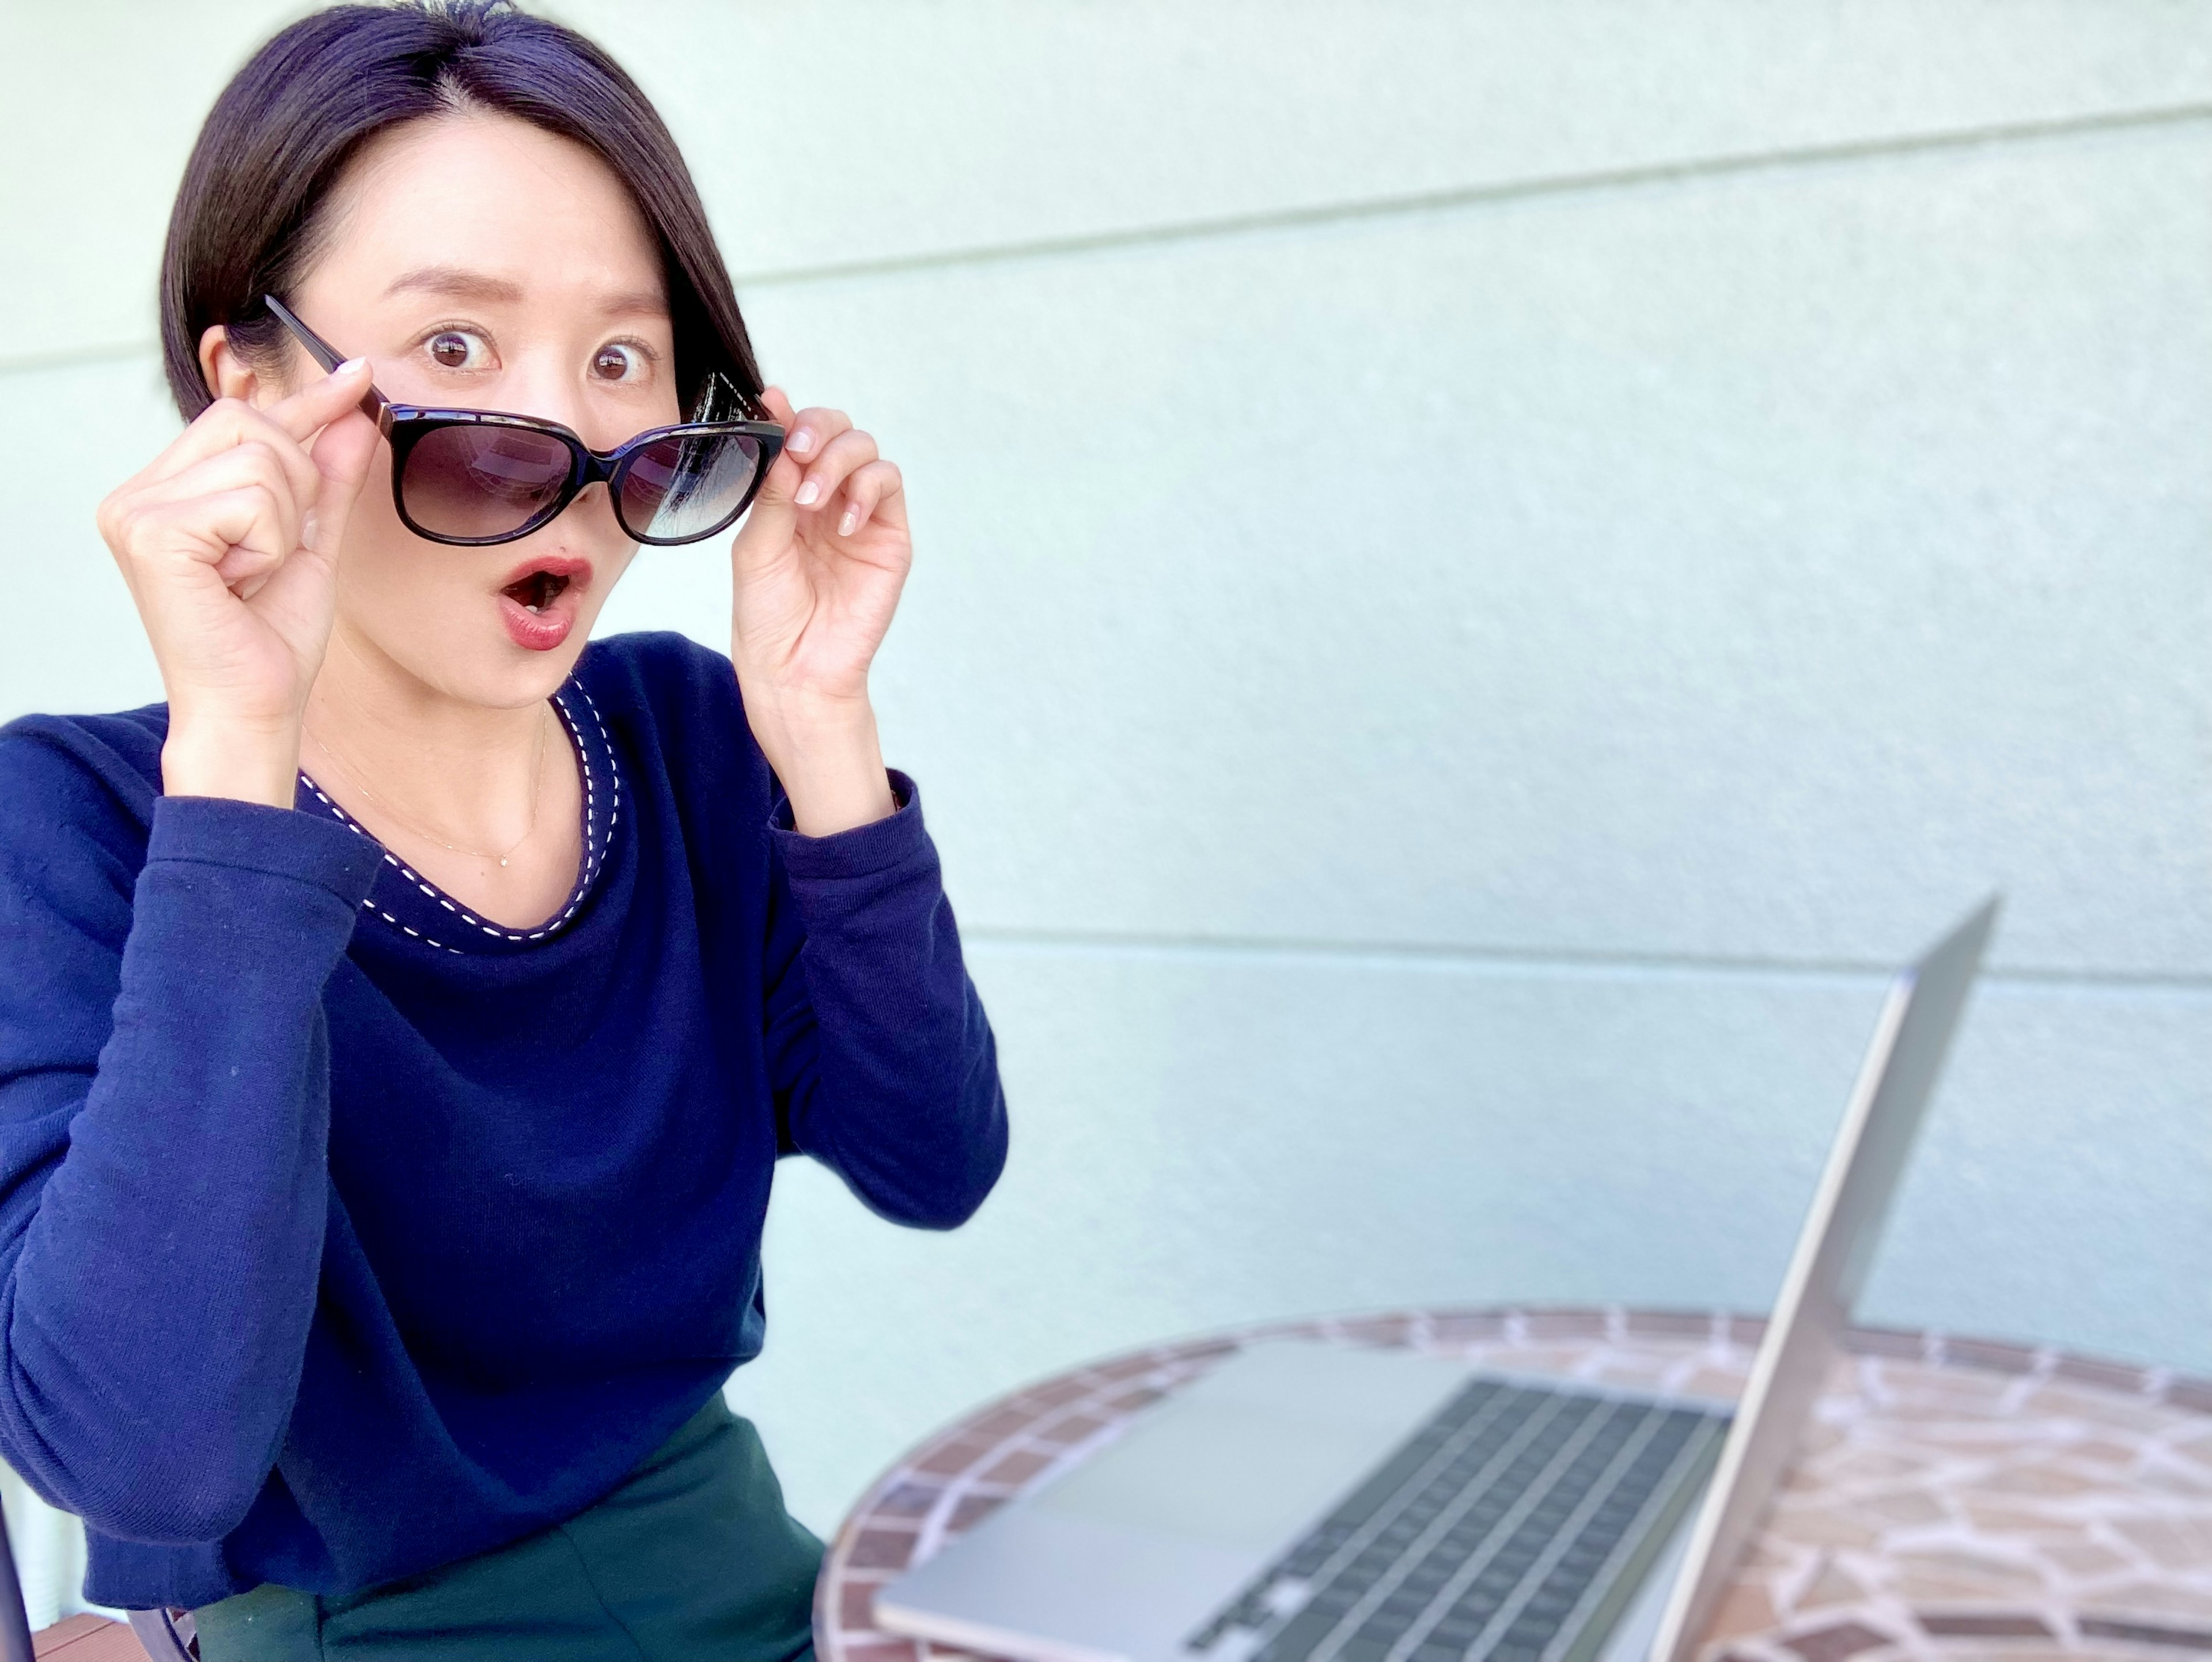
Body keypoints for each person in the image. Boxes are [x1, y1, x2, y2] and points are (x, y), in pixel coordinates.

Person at [0, 2, 1009, 1656]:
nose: (569, 448)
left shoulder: (689, 733)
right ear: (247, 381)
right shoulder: (78, 820)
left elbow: (933, 1162)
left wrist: (823, 728)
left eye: (621, 360)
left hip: (752, 1574)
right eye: (458, 351)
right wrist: (241, 746)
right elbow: (144, 1452)